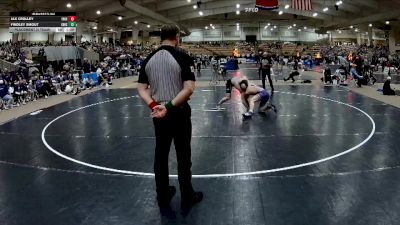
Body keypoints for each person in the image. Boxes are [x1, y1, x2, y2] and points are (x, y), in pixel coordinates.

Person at [137, 25, 203, 209]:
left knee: (161, 154)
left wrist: (154, 106)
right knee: (183, 155)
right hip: (177, 111)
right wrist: (168, 107)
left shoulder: (148, 59)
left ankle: (163, 194)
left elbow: (141, 89)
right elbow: (189, 88)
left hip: (158, 112)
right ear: (176, 37)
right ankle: (187, 195)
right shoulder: (182, 55)